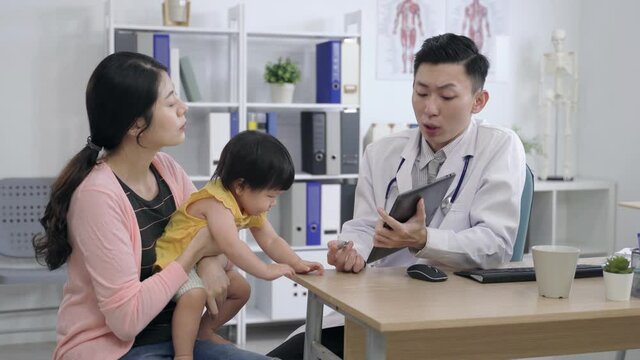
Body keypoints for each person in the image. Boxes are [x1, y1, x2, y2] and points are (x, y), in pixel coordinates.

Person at [267, 33, 526, 359]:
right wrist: (352, 250)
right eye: (421, 92)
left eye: (446, 96)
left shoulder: (498, 146)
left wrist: (424, 240)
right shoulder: (382, 152)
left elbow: (496, 244)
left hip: (456, 315)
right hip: (377, 308)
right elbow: (362, 227)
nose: (429, 109)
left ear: (478, 101)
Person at [33, 52, 273, 360]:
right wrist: (195, 254)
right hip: (117, 348)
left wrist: (209, 261)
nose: (184, 108)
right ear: (136, 125)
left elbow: (214, 239)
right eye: (171, 104)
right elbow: (126, 321)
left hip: (175, 337)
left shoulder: (167, 169)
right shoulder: (97, 196)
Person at [156, 130, 324, 360]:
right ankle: (183, 354)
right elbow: (231, 245)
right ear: (240, 186)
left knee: (241, 290)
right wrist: (265, 271)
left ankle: (204, 332)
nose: (273, 203)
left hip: (200, 261)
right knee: (193, 296)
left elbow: (271, 239)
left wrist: (296, 262)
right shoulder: (217, 203)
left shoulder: (246, 205)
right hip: (176, 261)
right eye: (270, 196)